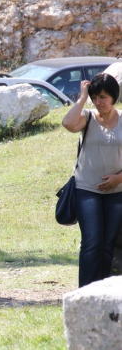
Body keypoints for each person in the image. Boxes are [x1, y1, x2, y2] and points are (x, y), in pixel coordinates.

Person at [62, 72, 122, 288]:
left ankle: (104, 293)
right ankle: (85, 293)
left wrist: (118, 178)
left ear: (114, 97)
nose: (98, 102)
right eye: (95, 97)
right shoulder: (87, 117)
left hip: (117, 192)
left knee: (107, 245)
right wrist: (82, 97)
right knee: (91, 243)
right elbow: (68, 123)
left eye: (103, 97)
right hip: (86, 189)